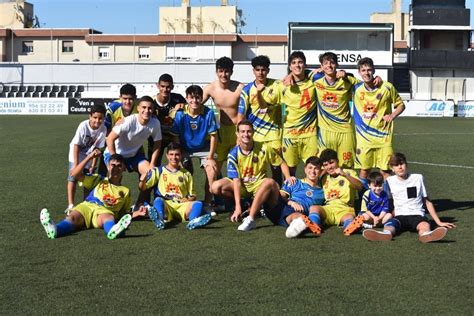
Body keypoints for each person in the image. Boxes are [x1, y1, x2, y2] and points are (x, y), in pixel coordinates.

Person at [40, 150, 146, 240]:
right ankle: (55, 229)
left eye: (119, 166)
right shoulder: (98, 179)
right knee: (72, 218)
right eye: (113, 165)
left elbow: (124, 213)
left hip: (104, 211)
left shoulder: (125, 191)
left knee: (108, 218)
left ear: (124, 169)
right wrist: (89, 157)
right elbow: (74, 174)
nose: (115, 168)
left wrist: (136, 213)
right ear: (108, 166)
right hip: (88, 205)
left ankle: (113, 230)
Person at [210, 120, 294, 231]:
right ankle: (246, 204)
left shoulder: (264, 148)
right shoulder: (233, 154)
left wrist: (288, 176)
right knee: (215, 187)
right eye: (243, 131)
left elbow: (281, 162)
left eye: (249, 131)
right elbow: (236, 181)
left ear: (253, 132)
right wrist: (238, 207)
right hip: (243, 186)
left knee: (269, 182)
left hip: (258, 185)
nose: (246, 134)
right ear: (237, 134)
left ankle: (251, 219)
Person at [363, 153, 456, 243]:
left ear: (406, 165)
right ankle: (385, 234)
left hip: (417, 214)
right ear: (392, 168)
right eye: (396, 165)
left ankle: (425, 235)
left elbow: (427, 202)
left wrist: (438, 222)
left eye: (402, 164)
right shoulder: (389, 181)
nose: (400, 167)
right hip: (399, 215)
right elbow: (385, 199)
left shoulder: (418, 178)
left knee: (424, 225)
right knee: (390, 225)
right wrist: (377, 217)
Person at [352, 57, 406, 181]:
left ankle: (388, 199)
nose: (367, 73)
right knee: (364, 171)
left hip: (384, 138)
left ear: (374, 70)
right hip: (364, 139)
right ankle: (363, 198)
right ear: (359, 72)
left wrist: (392, 115)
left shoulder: (386, 87)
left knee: (385, 171)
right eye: (363, 70)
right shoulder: (355, 88)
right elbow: (339, 77)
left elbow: (401, 105)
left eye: (369, 70)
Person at [139, 142, 212, 230]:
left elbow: (193, 195)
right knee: (158, 200)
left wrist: (188, 199)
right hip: (167, 205)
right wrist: (142, 180)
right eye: (171, 154)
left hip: (182, 205)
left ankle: (193, 221)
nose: (174, 157)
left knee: (198, 204)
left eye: (177, 155)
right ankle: (160, 219)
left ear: (181, 156)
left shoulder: (186, 174)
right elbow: (142, 188)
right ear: (167, 155)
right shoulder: (159, 171)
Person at [105, 96, 162, 207]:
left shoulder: (155, 123)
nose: (147, 111)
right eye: (144, 107)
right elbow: (110, 138)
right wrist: (115, 159)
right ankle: (110, 205)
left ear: (153, 109)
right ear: (138, 109)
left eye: (150, 108)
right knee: (114, 179)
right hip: (115, 154)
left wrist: (152, 164)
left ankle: (140, 204)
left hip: (133, 155)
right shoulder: (128, 121)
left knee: (151, 175)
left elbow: (158, 143)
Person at [171, 85, 218, 208]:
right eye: (191, 98)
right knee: (181, 171)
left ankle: (208, 203)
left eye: (197, 98)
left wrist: (211, 157)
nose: (194, 101)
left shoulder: (208, 113)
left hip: (203, 147)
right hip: (185, 148)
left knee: (211, 171)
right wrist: (179, 155)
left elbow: (214, 136)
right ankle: (185, 202)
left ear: (201, 98)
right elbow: (175, 137)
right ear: (186, 98)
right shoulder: (180, 114)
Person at [238, 55, 283, 184]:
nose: (260, 73)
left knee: (276, 168)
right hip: (255, 135)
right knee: (256, 168)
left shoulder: (277, 85)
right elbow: (241, 116)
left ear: (268, 70)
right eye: (257, 70)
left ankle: (278, 197)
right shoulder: (246, 90)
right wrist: (240, 136)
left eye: (263, 70)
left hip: (274, 135)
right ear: (253, 71)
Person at [310, 52, 359, 169]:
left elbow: (366, 85)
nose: (329, 66)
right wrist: (290, 75)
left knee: (346, 167)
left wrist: (346, 75)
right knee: (323, 166)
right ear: (321, 67)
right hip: (325, 131)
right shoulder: (315, 79)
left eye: (332, 63)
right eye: (325, 63)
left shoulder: (347, 80)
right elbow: (298, 73)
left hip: (345, 131)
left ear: (337, 65)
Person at [259, 156, 325, 238]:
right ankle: (251, 216)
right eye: (310, 168)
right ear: (305, 169)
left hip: (295, 214)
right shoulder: (295, 182)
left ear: (321, 171)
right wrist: (291, 202)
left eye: (316, 168)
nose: (312, 171)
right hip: (280, 208)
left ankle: (297, 226)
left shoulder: (322, 192)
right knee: (270, 183)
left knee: (300, 216)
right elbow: (280, 196)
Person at [276, 51, 318, 176]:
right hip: (290, 135)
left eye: (300, 62)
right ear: (290, 67)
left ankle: (309, 195)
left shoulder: (314, 81)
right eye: (294, 63)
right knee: (290, 171)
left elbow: (326, 71)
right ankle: (289, 195)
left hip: (310, 134)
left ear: (305, 65)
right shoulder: (283, 86)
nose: (297, 65)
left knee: (312, 169)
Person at [308, 149, 364, 236]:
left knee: (349, 217)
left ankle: (350, 227)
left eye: (331, 163)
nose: (329, 167)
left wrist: (344, 175)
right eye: (325, 165)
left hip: (345, 209)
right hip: (329, 208)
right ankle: (314, 226)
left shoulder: (349, 172)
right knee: (314, 208)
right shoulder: (323, 177)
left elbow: (360, 187)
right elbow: (311, 176)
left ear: (337, 161)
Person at [202, 56, 244, 171]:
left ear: (231, 72)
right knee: (215, 167)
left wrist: (241, 133)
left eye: (227, 71)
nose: (224, 74)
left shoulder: (240, 88)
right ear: (216, 72)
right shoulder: (210, 88)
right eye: (221, 71)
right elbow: (195, 104)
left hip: (237, 130)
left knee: (239, 167)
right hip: (221, 131)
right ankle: (214, 188)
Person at [66, 104, 107, 213]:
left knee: (88, 180)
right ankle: (70, 205)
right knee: (72, 178)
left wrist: (93, 165)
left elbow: (97, 149)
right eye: (95, 117)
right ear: (90, 116)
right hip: (76, 152)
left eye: (100, 118)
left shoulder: (103, 129)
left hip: (89, 154)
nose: (97, 121)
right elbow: (76, 146)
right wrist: (75, 164)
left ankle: (86, 203)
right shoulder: (83, 126)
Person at [149, 73, 186, 163]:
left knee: (183, 164)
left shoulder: (178, 99)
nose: (165, 89)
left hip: (173, 137)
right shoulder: (151, 102)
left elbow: (190, 110)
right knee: (153, 166)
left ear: (172, 87)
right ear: (157, 85)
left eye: (168, 87)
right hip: (156, 137)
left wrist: (184, 106)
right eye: (162, 86)